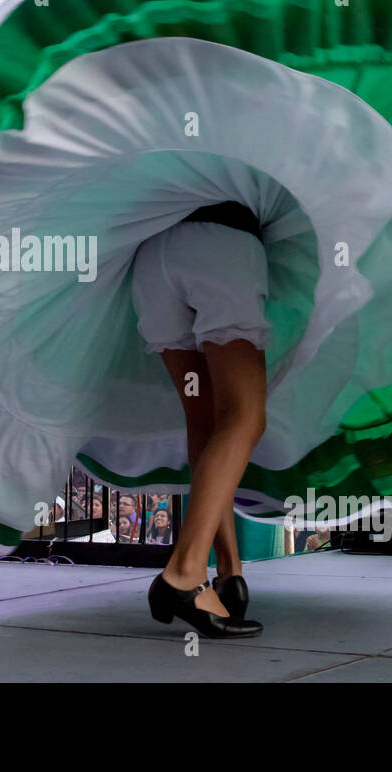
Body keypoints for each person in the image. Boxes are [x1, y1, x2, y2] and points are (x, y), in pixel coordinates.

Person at [133, 202, 268, 638]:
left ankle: (230, 573)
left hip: (154, 259)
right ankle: (184, 573)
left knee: (205, 420)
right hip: (221, 249)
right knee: (244, 416)